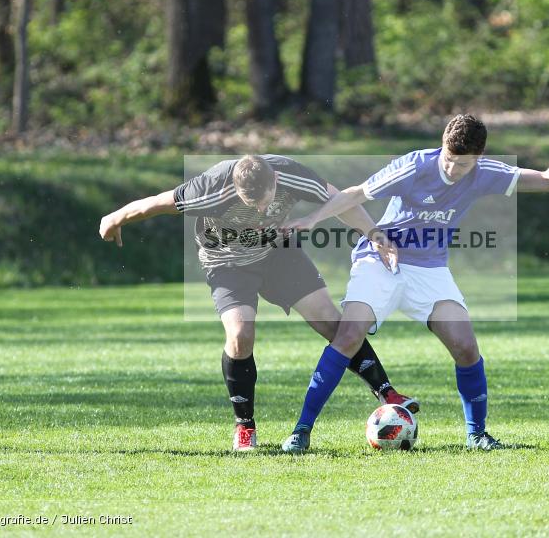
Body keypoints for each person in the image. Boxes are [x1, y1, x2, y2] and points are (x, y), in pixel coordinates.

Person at [280, 110, 549, 452]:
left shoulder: (486, 173)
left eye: (463, 164)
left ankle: (477, 435)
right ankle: (301, 430)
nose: (453, 169)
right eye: (449, 159)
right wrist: (313, 219)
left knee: (466, 347)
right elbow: (355, 193)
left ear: (479, 158)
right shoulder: (415, 166)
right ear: (442, 146)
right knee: (349, 336)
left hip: (429, 269)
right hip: (380, 259)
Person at [98, 154, 417, 451]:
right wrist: (115, 217)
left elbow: (340, 200)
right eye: (252, 204)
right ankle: (245, 425)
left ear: (275, 179)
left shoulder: (291, 174)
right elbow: (156, 203)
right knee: (240, 336)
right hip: (226, 262)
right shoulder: (209, 189)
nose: (262, 211)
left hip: (278, 253)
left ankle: (387, 392)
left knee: (332, 322)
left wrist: (374, 234)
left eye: (266, 202)